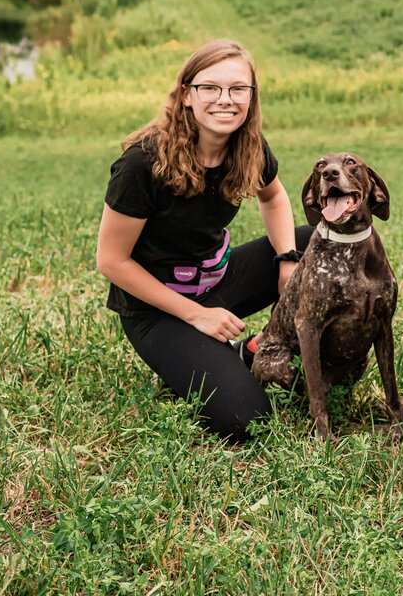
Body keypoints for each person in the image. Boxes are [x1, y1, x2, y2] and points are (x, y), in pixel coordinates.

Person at [96, 39, 312, 444]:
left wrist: (287, 259)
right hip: (156, 309)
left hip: (217, 282)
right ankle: (230, 356)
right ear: (186, 96)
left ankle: (271, 347)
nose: (224, 100)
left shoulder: (247, 147)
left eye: (238, 89)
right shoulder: (143, 163)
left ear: (251, 96)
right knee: (247, 419)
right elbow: (111, 261)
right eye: (210, 88)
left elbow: (274, 196)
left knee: (318, 242)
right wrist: (196, 315)